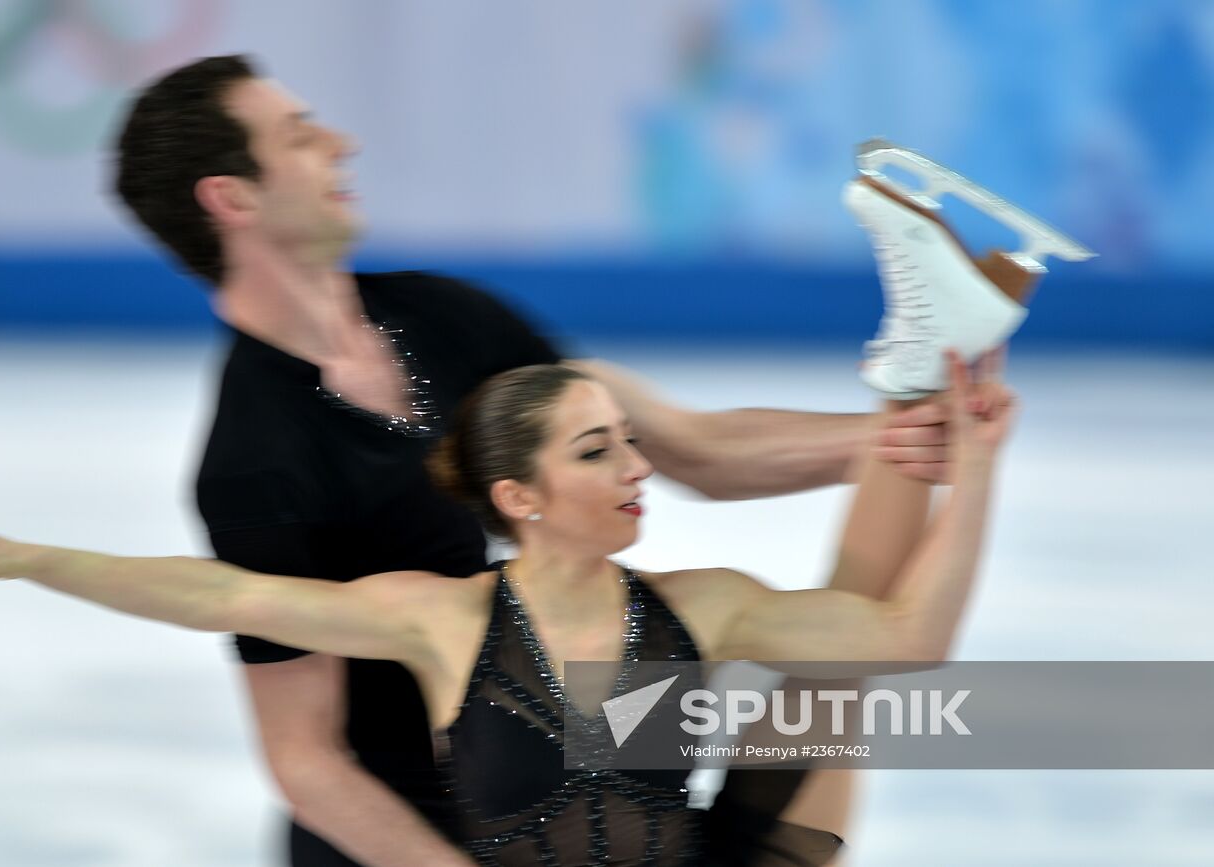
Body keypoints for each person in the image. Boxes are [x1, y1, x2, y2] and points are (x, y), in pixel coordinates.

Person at [108, 54, 961, 866]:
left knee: (836, 677)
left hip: (555, 760)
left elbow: (694, 450)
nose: (341, 144)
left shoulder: (447, 318)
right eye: (299, 135)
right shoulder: (257, 458)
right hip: (427, 829)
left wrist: (897, 433)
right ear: (232, 197)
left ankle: (919, 358)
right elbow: (307, 760)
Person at [0, 345, 1013, 866]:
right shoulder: (439, 621)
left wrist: (980, 459)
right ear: (520, 498)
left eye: (628, 444)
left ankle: (927, 357)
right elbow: (219, 592)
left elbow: (908, 639)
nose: (635, 469)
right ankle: (928, 359)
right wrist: (27, 556)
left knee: (841, 676)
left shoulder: (699, 605)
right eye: (597, 451)